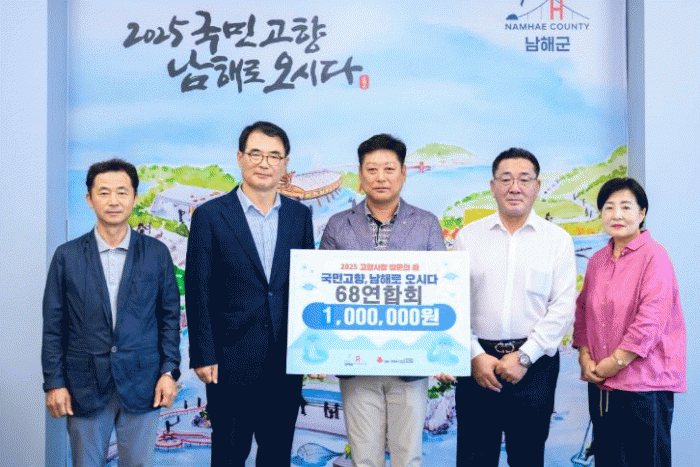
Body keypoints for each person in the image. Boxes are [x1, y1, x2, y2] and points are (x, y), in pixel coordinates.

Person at [185, 121, 315, 466]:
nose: (264, 163)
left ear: (285, 164)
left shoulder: (300, 216)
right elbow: (197, 289)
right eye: (256, 154)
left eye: (274, 156)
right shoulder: (210, 216)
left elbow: (307, 287)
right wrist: (203, 354)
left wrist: (311, 350)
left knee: (276, 456)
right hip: (229, 362)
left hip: (285, 363)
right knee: (229, 455)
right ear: (240, 157)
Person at [320, 133, 451, 467]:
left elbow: (441, 290)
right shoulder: (338, 225)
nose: (381, 177)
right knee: (364, 459)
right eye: (372, 169)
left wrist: (443, 352)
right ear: (361, 175)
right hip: (355, 362)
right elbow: (323, 289)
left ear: (403, 174)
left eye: (389, 169)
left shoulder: (426, 224)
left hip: (411, 364)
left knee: (408, 458)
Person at [42, 158, 181, 467]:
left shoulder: (156, 253)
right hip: (84, 385)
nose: (114, 201)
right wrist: (54, 383)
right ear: (89, 199)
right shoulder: (67, 256)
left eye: (122, 192)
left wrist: (169, 371)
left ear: (134, 198)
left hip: (144, 383)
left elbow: (170, 318)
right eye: (104, 192)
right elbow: (53, 327)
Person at [454, 148, 576, 467]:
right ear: (492, 186)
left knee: (527, 457)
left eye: (524, 179)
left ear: (537, 186)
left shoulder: (557, 240)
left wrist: (525, 356)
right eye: (505, 179)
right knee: (474, 458)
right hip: (478, 365)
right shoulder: (468, 237)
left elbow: (562, 307)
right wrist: (475, 355)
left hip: (534, 366)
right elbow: (454, 303)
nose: (515, 188)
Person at [573, 177, 686, 467]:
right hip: (601, 382)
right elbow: (583, 311)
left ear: (642, 213)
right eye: (609, 207)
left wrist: (615, 362)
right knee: (608, 459)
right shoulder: (598, 260)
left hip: (644, 383)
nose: (617, 215)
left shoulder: (655, 256)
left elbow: (650, 320)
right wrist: (585, 357)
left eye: (626, 207)